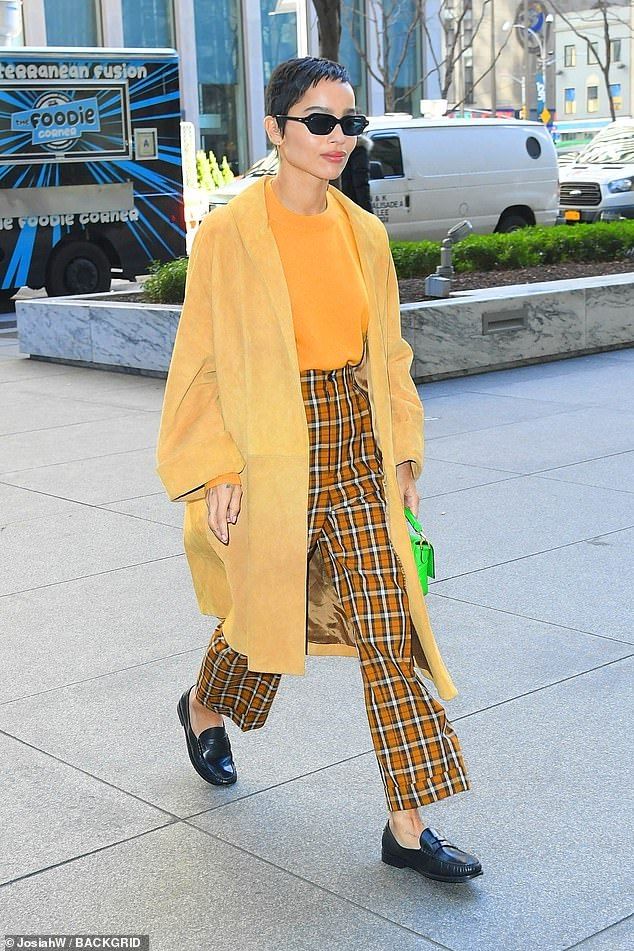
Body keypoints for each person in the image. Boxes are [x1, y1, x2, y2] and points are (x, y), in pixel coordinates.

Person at [156, 56, 482, 884]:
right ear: (275, 130)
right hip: (270, 445)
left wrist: (403, 451)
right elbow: (197, 361)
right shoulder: (230, 234)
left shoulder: (361, 231)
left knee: (388, 624)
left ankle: (407, 827)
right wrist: (212, 468)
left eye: (350, 123)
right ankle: (203, 706)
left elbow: (390, 356)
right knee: (265, 613)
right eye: (320, 121)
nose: (339, 138)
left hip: (355, 443)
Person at [339, 132, 374, 213]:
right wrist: (367, 211)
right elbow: (361, 182)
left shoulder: (341, 149)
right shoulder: (359, 150)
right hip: (353, 202)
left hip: (340, 200)